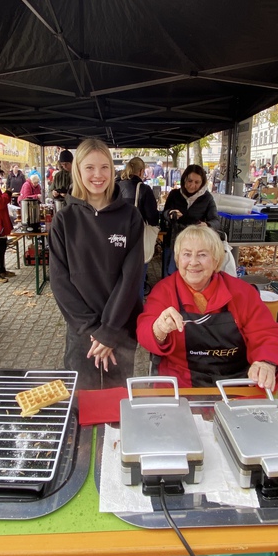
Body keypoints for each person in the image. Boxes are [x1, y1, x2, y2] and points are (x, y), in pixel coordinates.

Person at [137, 225, 278, 389]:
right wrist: (158, 328)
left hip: (236, 384)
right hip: (181, 386)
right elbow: (144, 330)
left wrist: (266, 363)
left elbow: (268, 333)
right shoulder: (164, 291)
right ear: (178, 259)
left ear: (216, 260)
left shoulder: (242, 293)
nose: (193, 262)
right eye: (187, 254)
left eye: (202, 255)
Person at [49, 138, 144, 390]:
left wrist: (110, 330)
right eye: (89, 167)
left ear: (113, 170)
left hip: (120, 328)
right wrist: (93, 330)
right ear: (78, 170)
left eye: (104, 167)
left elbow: (131, 277)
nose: (98, 175)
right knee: (82, 400)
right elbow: (60, 282)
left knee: (118, 402)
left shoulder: (130, 216)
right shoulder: (64, 220)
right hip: (82, 331)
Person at [163, 164, 220, 276]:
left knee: (190, 275)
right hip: (174, 241)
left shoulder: (207, 198)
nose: (192, 185)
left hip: (196, 246)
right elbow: (164, 214)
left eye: (197, 182)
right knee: (171, 276)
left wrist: (207, 225)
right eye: (189, 181)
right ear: (184, 179)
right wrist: (170, 214)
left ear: (202, 183)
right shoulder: (174, 194)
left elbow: (216, 221)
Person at [118, 157, 160, 297]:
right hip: (137, 242)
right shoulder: (143, 189)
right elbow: (153, 218)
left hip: (116, 240)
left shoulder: (115, 186)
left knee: (118, 281)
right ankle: (136, 313)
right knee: (138, 281)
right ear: (142, 171)